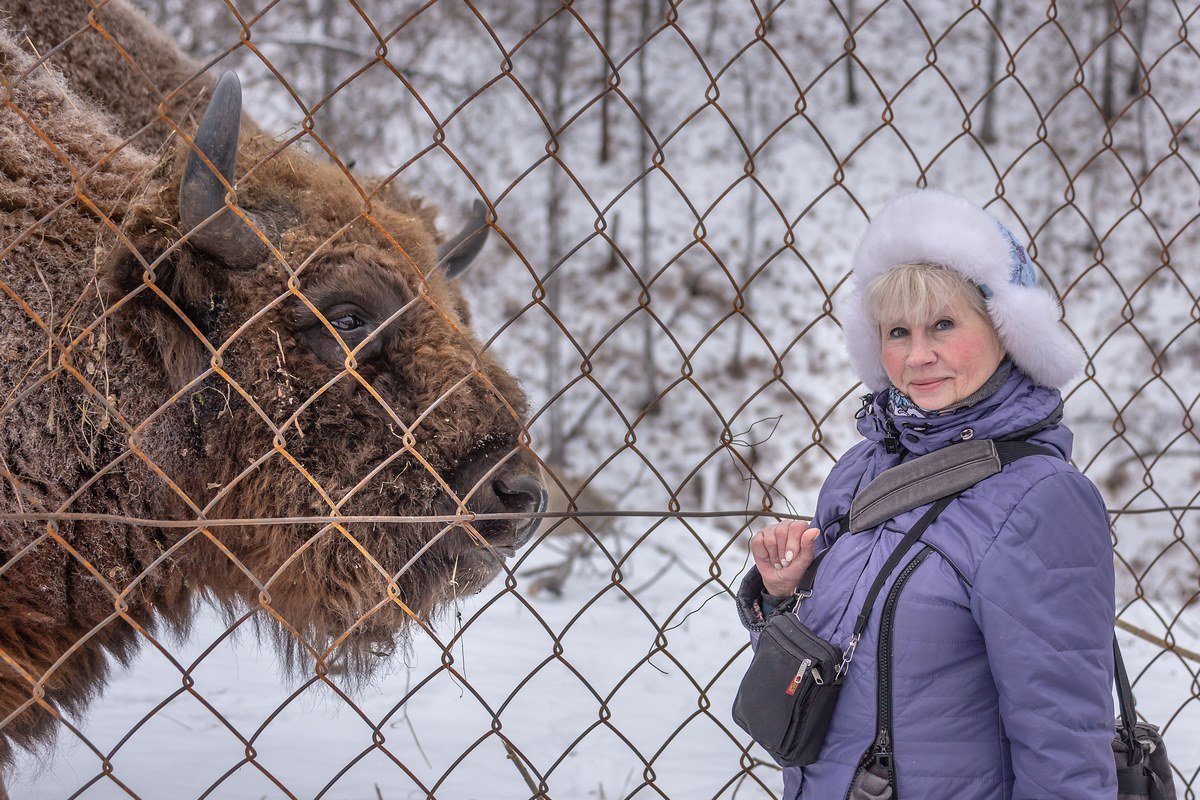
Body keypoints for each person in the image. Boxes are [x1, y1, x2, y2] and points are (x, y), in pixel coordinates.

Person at [735, 190, 1116, 799]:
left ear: (1005, 330)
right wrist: (785, 599)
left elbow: (1064, 740)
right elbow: (834, 668)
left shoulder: (1042, 500)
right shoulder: (861, 469)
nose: (917, 356)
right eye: (896, 332)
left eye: (943, 324)